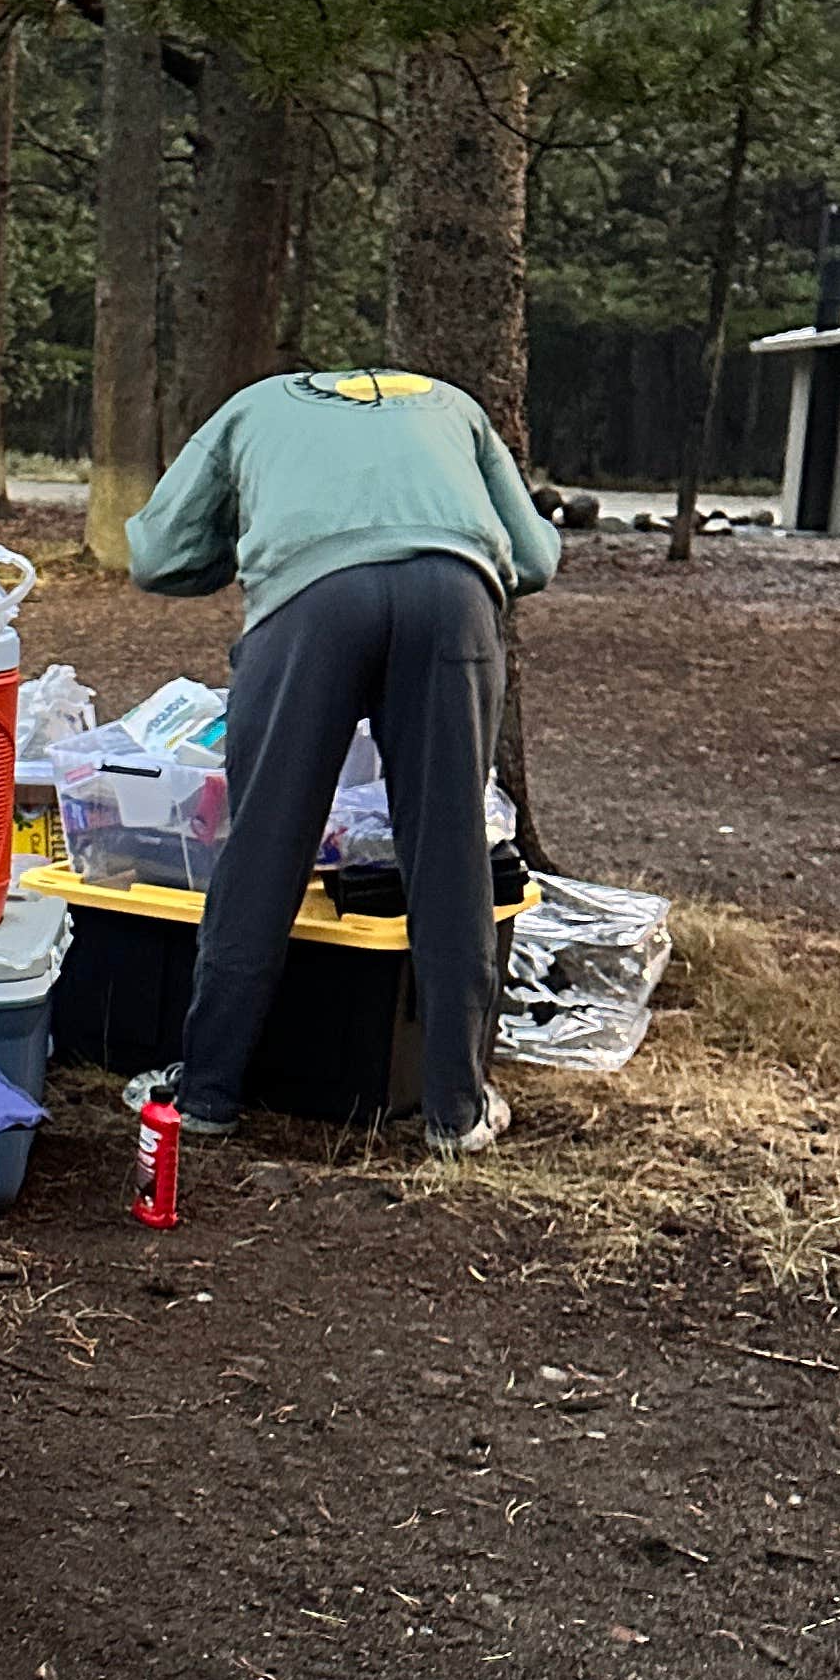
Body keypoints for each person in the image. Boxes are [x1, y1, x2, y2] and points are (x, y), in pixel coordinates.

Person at [125, 367, 560, 1154]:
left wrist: (261, 552)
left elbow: (157, 553)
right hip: (454, 597)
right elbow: (534, 557)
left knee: (265, 844)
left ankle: (209, 1093)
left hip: (312, 605)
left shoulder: (252, 405)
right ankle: (456, 1112)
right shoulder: (453, 406)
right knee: (451, 849)